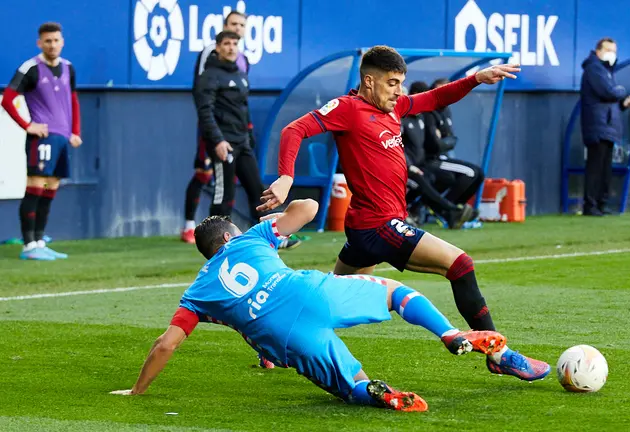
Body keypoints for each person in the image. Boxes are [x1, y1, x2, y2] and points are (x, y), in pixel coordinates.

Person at [258, 46, 550, 380]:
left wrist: (475, 79)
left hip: (365, 231)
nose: (399, 91)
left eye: (401, 83)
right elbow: (294, 130)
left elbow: (437, 98)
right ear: (369, 81)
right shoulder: (348, 108)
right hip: (380, 225)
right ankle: (500, 354)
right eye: (392, 83)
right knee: (460, 264)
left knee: (328, 300)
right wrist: (286, 177)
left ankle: (273, 345)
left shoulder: (395, 107)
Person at [110, 198, 516, 412]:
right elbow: (309, 209)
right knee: (394, 292)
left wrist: (137, 390)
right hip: (311, 291)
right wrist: (278, 216)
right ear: (231, 235)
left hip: (285, 337)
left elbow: (168, 343)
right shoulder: (252, 237)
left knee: (350, 386)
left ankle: (374, 392)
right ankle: (449, 333)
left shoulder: (199, 292)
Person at [193, 31, 300, 250]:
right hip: (224, 144)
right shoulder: (209, 76)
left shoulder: (241, 75)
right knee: (224, 195)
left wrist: (249, 139)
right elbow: (205, 112)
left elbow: (244, 111)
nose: (231, 47)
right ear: (218, 47)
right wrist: (218, 141)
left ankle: (274, 237)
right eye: (226, 44)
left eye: (235, 43)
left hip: (242, 143)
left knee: (258, 192)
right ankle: (216, 245)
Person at [1, 22, 81, 261]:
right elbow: (7, 99)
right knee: (35, 186)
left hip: (62, 138)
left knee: (50, 188)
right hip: (42, 139)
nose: (52, 45)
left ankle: (40, 240)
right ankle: (29, 245)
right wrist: (28, 125)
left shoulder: (68, 68)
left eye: (56, 40)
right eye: (47, 41)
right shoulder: (30, 68)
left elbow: (73, 100)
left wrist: (74, 131)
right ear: (40, 43)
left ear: (62, 41)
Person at [181, 11, 249, 244]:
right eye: (233, 24)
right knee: (204, 172)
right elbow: (203, 95)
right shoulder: (210, 55)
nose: (237, 28)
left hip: (237, 134)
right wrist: (212, 136)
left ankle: (268, 237)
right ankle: (191, 226)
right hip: (214, 132)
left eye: (241, 25)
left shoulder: (242, 59)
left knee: (244, 183)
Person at [402, 81, 474, 228]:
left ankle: (418, 209)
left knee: (444, 177)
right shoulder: (400, 120)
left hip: (420, 164)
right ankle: (450, 210)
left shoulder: (421, 117)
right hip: (406, 168)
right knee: (422, 180)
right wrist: (409, 166)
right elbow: (397, 146)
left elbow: (439, 141)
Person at [579, 38, 630, 216]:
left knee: (605, 169)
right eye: (608, 50)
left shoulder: (607, 71)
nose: (612, 54)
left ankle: (601, 203)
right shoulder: (594, 69)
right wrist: (621, 91)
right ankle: (590, 205)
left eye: (614, 50)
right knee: (595, 167)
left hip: (608, 125)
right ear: (598, 51)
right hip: (597, 126)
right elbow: (609, 92)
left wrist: (622, 104)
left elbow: (609, 101)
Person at [421, 78, 484, 210]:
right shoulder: (428, 112)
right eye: (441, 91)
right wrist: (446, 140)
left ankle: (456, 207)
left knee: (479, 173)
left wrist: (445, 140)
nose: (445, 95)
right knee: (470, 173)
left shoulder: (446, 110)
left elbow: (452, 139)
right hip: (431, 160)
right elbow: (434, 145)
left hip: (442, 157)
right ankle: (446, 209)